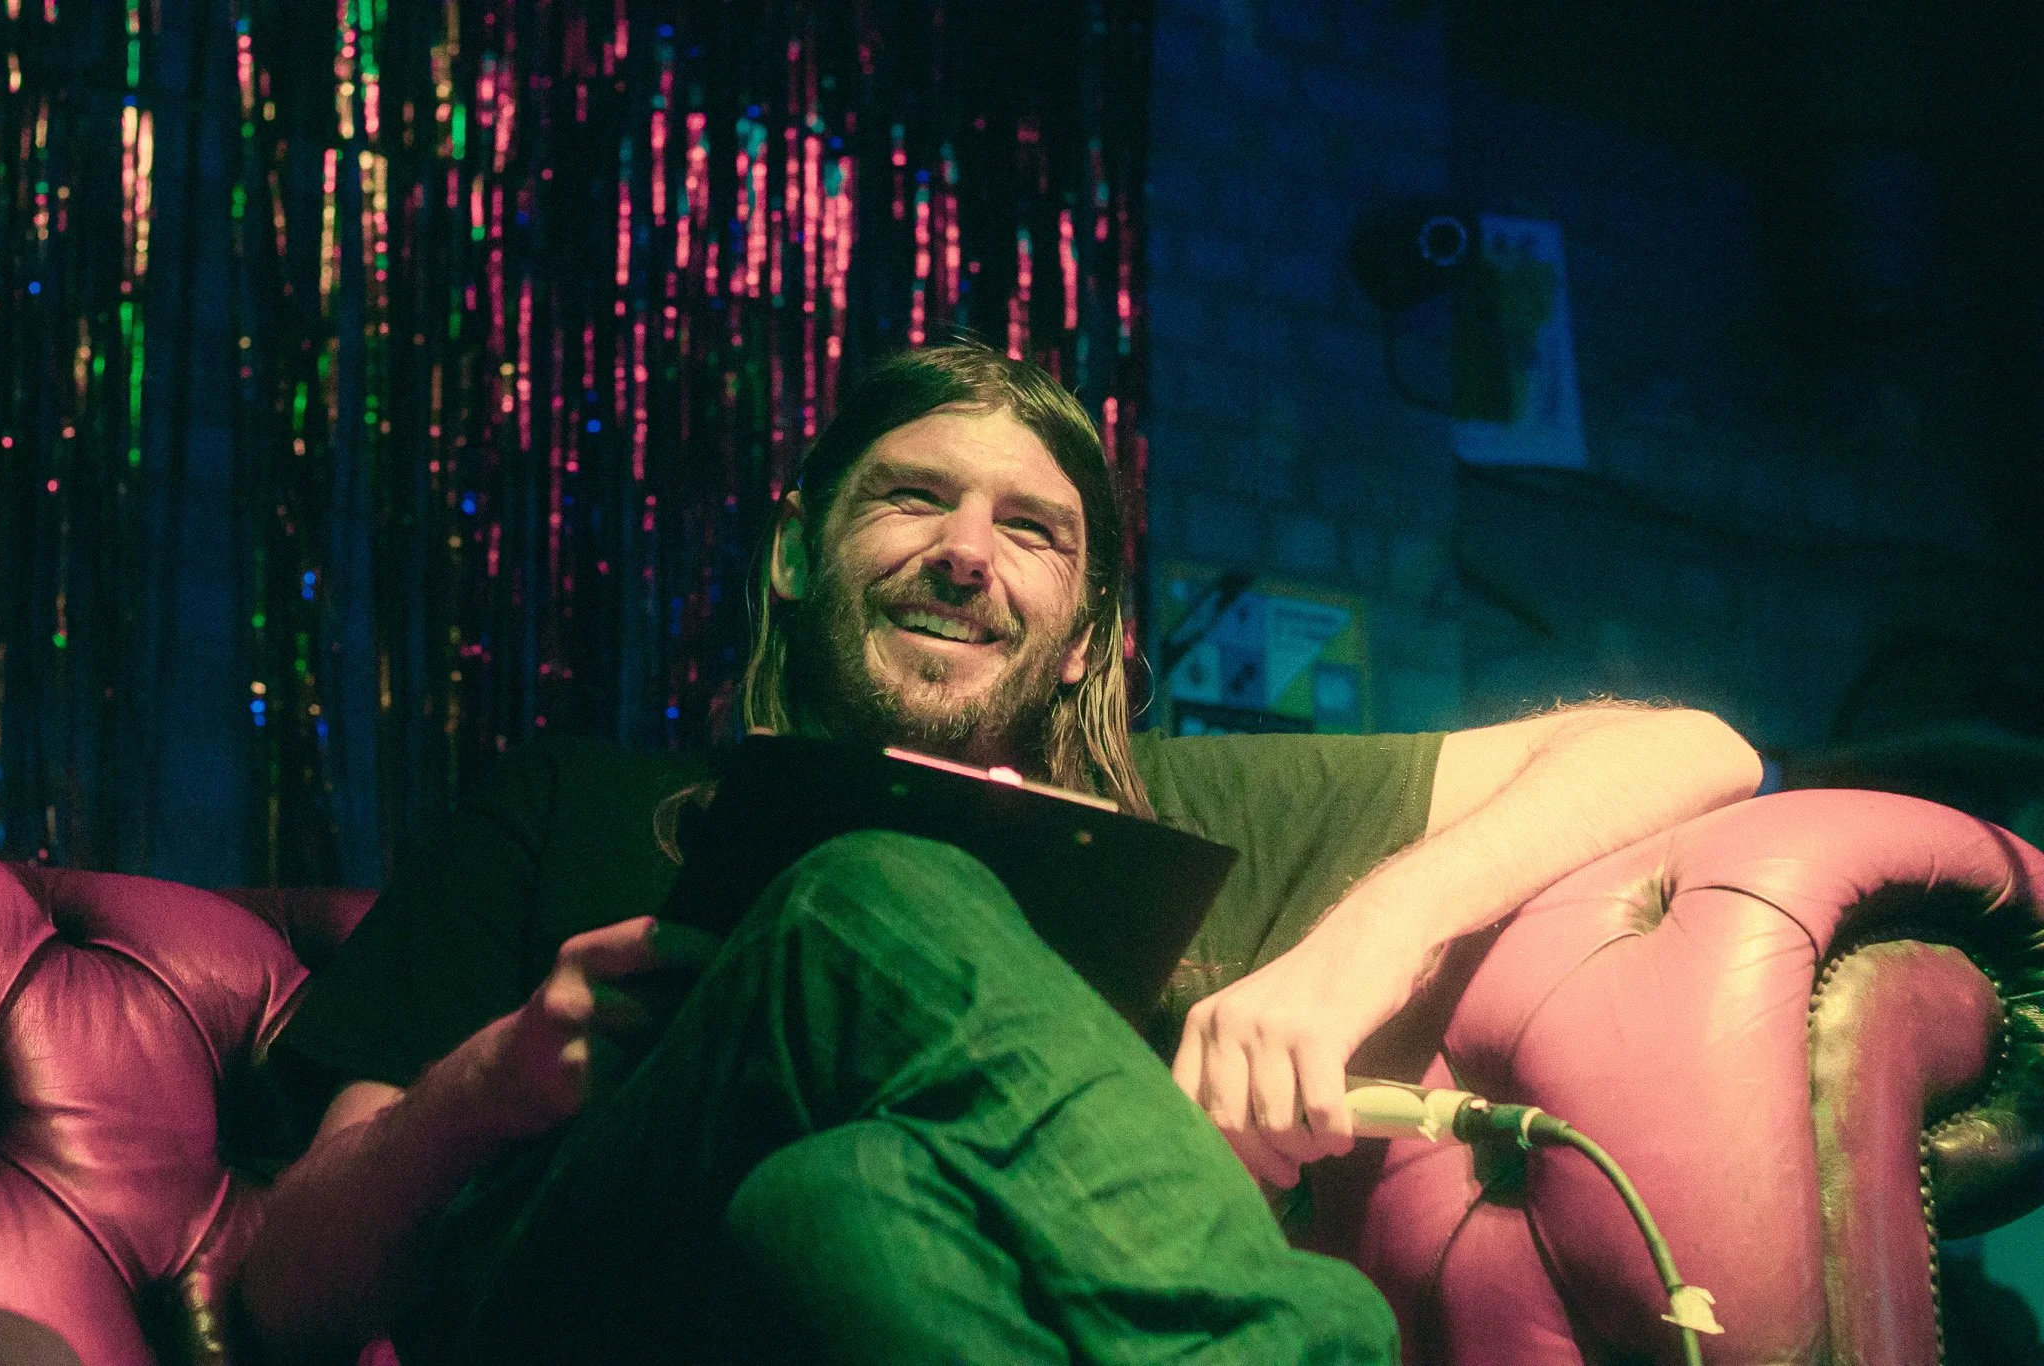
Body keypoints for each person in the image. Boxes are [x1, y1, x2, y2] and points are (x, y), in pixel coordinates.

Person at [240, 342, 1763, 1364]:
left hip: (865, 1294)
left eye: (1033, 529)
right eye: (912, 497)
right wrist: (489, 1080)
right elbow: (280, 1290)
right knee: (868, 880)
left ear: (1087, 628)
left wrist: (1351, 954)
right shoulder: (570, 797)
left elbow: (1695, 745)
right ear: (794, 552)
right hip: (588, 1300)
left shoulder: (1166, 819)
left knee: (851, 1202)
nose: (967, 549)